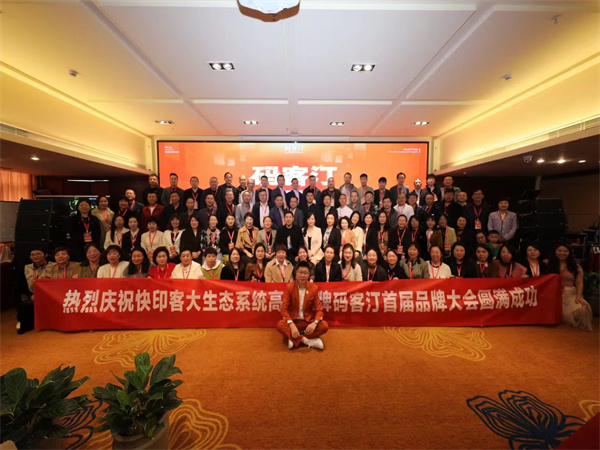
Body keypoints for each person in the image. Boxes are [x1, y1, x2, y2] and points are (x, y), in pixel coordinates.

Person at [276, 261, 329, 350]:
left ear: (309, 275)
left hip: (307, 322)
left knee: (324, 326)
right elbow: (283, 309)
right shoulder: (290, 287)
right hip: (294, 321)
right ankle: (306, 341)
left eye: (305, 273)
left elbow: (319, 309)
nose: (303, 275)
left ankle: (294, 338)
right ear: (296, 273)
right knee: (280, 325)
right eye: (300, 272)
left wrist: (315, 323)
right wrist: (291, 325)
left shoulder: (314, 288)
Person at [548, 243, 593, 330]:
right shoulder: (548, 264)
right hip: (553, 294)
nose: (562, 253)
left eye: (565, 251)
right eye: (559, 250)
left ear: (569, 253)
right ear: (555, 251)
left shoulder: (575, 267)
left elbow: (579, 283)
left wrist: (579, 297)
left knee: (583, 309)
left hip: (570, 294)